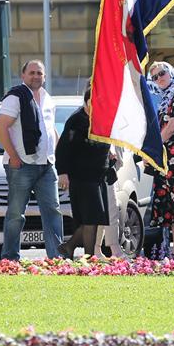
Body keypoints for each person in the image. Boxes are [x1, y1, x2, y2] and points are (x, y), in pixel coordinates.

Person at [0, 60, 63, 260]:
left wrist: (55, 156)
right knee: (16, 214)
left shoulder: (48, 99)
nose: (36, 76)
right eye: (31, 72)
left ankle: (56, 257)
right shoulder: (15, 97)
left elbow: (51, 131)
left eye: (39, 73)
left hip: (46, 165)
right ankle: (9, 257)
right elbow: (0, 128)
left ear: (45, 76)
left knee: (53, 211)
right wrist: (14, 157)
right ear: (23, 75)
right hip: (21, 165)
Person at [55, 85, 111, 259]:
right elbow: (63, 148)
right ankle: (88, 256)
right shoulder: (76, 120)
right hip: (81, 176)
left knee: (94, 217)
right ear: (87, 102)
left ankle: (69, 247)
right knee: (90, 219)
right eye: (94, 102)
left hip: (98, 176)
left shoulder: (101, 119)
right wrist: (62, 172)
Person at [148, 61, 174, 255]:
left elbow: (173, 125)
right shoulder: (164, 98)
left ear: (171, 72)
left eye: (162, 73)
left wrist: (154, 149)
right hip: (166, 156)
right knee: (170, 202)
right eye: (155, 77)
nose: (159, 78)